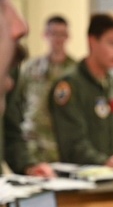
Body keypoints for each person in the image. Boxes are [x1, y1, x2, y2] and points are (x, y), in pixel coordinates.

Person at [49, 12, 113, 168]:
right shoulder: (69, 85)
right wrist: (104, 162)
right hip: (81, 182)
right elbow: (72, 144)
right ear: (92, 41)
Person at [0, 0, 54, 177]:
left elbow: (11, 131)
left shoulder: (11, 70)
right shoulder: (32, 68)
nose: (21, 27)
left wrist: (28, 165)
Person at [19, 15, 76, 163]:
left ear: (68, 37)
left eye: (62, 34)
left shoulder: (75, 71)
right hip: (33, 143)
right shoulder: (31, 68)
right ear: (45, 35)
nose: (58, 39)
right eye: (53, 33)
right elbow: (19, 102)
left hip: (61, 143)